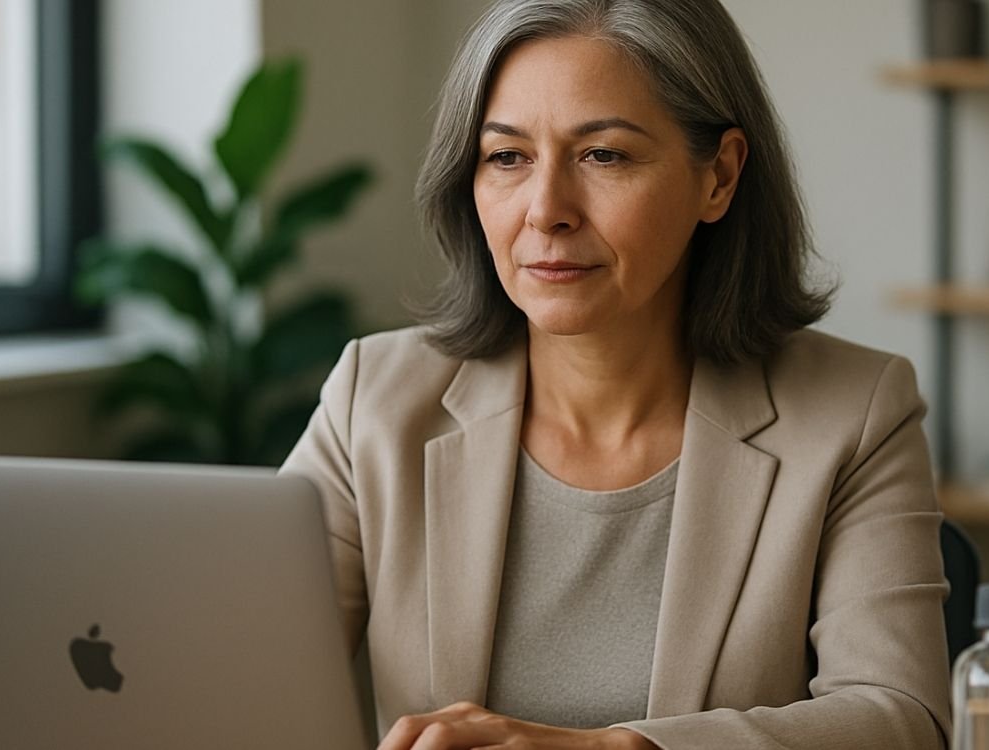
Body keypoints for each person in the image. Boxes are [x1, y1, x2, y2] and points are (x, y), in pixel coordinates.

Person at [281, 0, 951, 747]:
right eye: (507, 157)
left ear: (719, 178)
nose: (546, 211)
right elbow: (236, 668)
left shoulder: (854, 414)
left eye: (604, 155)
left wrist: (613, 748)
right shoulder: (372, 399)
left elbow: (902, 719)